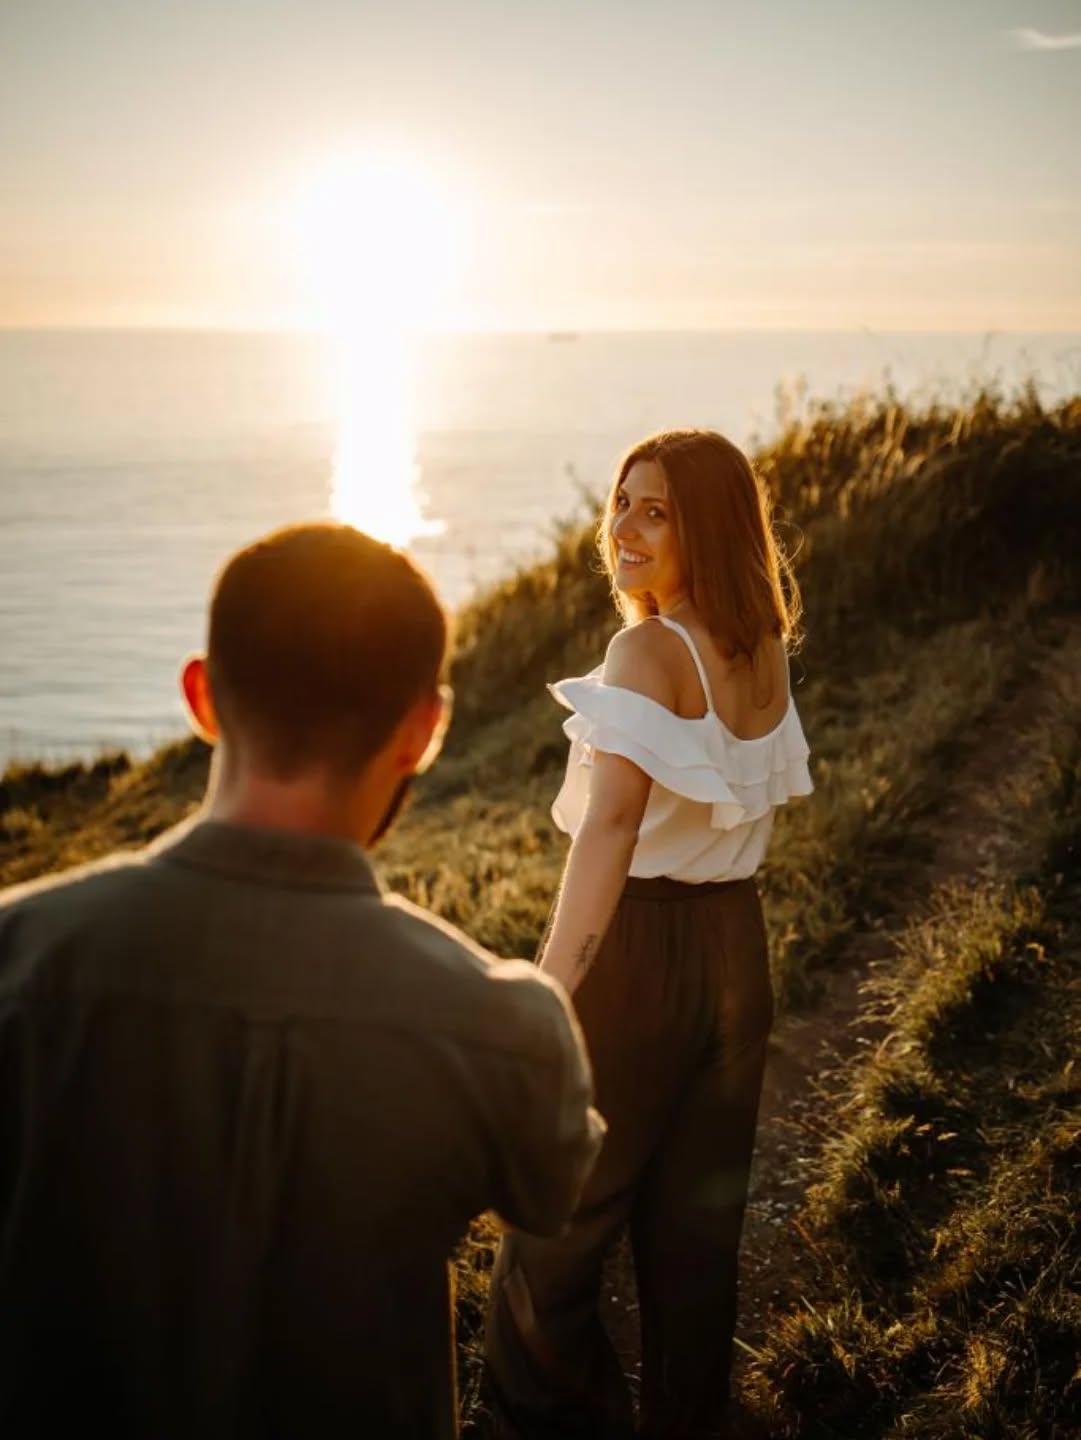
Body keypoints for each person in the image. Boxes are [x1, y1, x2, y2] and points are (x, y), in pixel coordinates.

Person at [0, 521, 603, 1439]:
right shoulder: (502, 1023)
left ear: (201, 696)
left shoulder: (19, 956)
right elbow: (552, 1187)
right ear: (422, 731)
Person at [485, 430, 813, 1438]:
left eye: (655, 510)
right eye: (622, 503)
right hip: (733, 951)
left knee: (552, 1232)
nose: (620, 528)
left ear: (705, 527)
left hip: (636, 959)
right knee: (692, 1241)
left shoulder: (648, 650)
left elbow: (612, 833)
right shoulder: (756, 644)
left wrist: (545, 996)